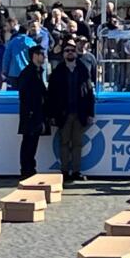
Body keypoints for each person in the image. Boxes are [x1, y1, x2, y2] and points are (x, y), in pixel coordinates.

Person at [47, 44, 95, 182]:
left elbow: (89, 93)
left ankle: (76, 171)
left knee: (77, 144)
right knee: (64, 143)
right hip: (64, 114)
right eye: (67, 51)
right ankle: (64, 171)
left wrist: (90, 113)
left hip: (79, 113)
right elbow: (51, 95)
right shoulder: (58, 71)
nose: (70, 53)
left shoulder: (83, 70)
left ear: (76, 53)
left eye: (72, 51)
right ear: (63, 54)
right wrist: (52, 115)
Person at [15, 46, 48, 179]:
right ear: (34, 55)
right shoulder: (28, 73)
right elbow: (25, 95)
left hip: (37, 113)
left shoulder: (38, 71)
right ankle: (26, 169)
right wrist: (31, 112)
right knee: (28, 141)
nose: (44, 56)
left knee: (32, 142)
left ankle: (30, 168)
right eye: (41, 54)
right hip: (31, 114)